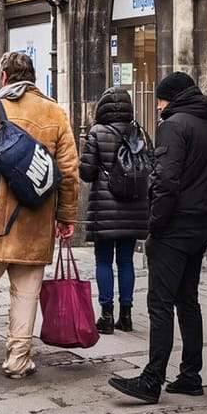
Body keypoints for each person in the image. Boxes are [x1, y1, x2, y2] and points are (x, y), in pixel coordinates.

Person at [0, 51, 79, 382]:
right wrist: (66, 216)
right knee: (25, 294)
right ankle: (18, 361)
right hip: (34, 221)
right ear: (32, 77)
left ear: (4, 75)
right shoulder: (55, 113)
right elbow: (69, 172)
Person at [107, 71, 207, 404]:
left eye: (159, 100)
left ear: (169, 97)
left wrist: (155, 222)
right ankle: (190, 374)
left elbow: (166, 179)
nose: (157, 107)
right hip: (201, 222)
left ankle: (152, 378)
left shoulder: (174, 125)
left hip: (175, 227)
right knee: (188, 300)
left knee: (160, 303)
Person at [80, 86, 152, 336]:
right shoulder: (138, 132)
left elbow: (86, 172)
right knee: (125, 261)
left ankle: (106, 316)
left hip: (105, 207)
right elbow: (150, 167)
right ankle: (127, 315)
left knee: (103, 261)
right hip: (134, 206)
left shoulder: (97, 132)